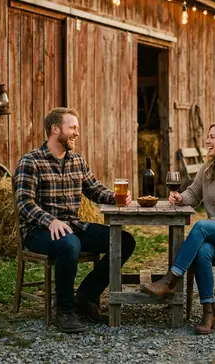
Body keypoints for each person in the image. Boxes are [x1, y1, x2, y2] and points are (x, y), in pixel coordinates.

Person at [14, 107, 136, 333]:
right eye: (72, 127)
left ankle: (85, 297)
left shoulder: (76, 161)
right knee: (70, 244)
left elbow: (94, 189)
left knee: (124, 241)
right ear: (54, 129)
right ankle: (65, 311)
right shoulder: (31, 162)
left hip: (73, 226)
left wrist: (116, 197)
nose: (76, 133)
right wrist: (49, 220)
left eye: (77, 128)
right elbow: (24, 203)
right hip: (38, 231)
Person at [140, 120, 215, 335]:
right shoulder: (209, 168)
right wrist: (180, 197)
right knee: (203, 251)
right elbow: (194, 194)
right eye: (208, 136)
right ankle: (209, 311)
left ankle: (170, 280)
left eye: (212, 137)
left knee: (201, 227)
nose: (207, 141)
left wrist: (211, 224)